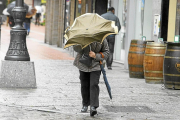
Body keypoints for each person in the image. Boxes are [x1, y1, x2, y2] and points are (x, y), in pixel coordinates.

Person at [73, 40, 109, 116]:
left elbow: (106, 53)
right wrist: (81, 45)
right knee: (84, 85)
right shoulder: (83, 36)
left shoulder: (102, 39)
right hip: (83, 64)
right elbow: (76, 49)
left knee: (94, 84)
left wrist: (96, 55)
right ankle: (85, 104)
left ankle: (93, 106)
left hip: (96, 65)